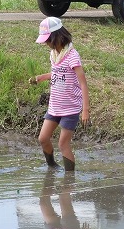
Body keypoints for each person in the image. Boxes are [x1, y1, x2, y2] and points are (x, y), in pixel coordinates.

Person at [30, 17, 90, 171]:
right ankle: (52, 167)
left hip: (70, 107)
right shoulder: (54, 54)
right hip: (55, 106)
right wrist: (42, 77)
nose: (46, 43)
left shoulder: (72, 56)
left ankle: (69, 177)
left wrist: (85, 110)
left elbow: (83, 83)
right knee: (43, 138)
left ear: (57, 36)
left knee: (63, 143)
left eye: (47, 40)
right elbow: (57, 72)